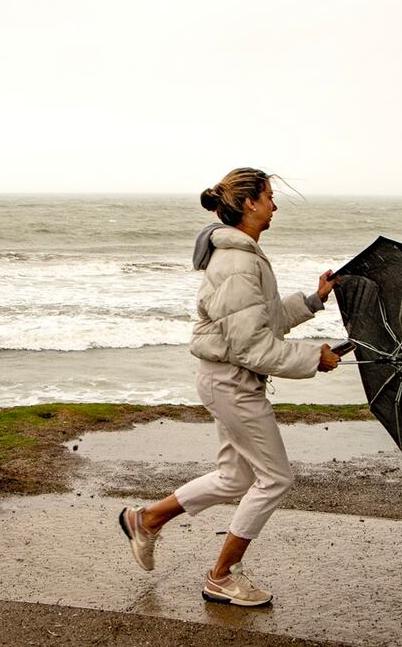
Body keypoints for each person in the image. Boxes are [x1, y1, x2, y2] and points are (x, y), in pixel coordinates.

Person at [118, 167, 341, 607]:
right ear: (250, 203)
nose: (275, 205)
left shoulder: (245, 255)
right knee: (275, 479)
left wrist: (314, 301)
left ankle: (146, 519)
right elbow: (253, 347)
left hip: (226, 380)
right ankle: (222, 575)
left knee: (235, 476)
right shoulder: (239, 262)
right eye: (270, 196)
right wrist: (314, 357)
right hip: (232, 383)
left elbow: (258, 321)